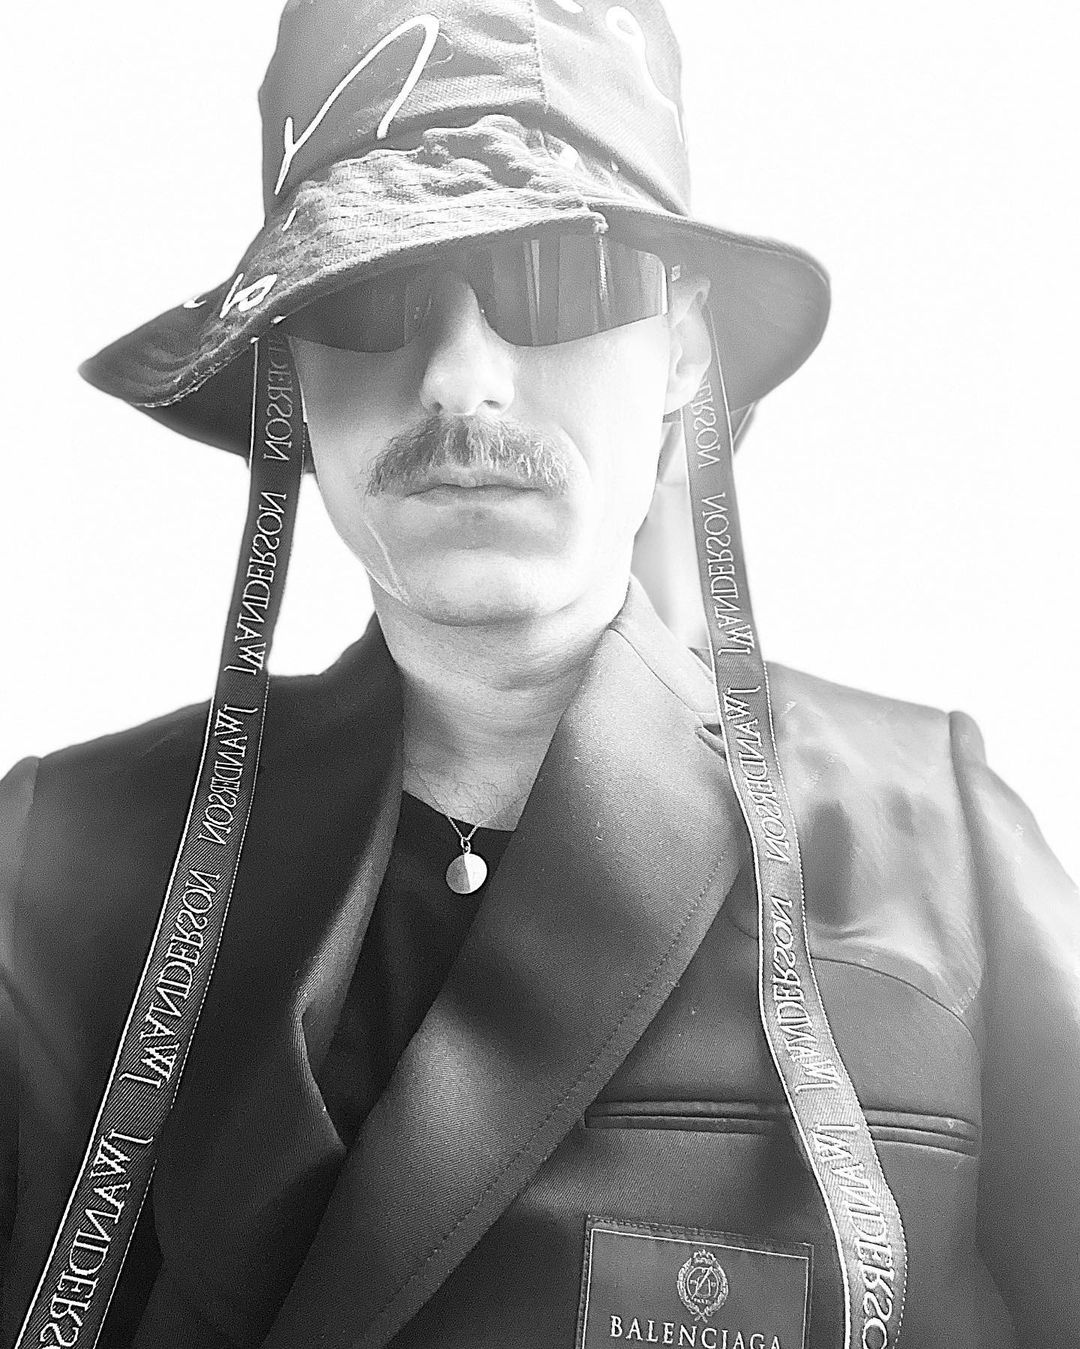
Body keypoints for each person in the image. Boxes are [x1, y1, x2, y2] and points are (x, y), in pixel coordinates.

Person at [1, 1, 1077, 1347]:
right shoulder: (54, 873)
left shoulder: (940, 852)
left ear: (682, 347)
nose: (463, 380)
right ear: (287, 368)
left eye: (556, 277)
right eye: (367, 294)